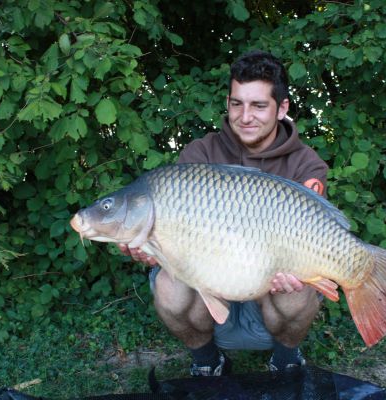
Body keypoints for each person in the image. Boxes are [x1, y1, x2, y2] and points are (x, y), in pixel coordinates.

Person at [119, 50, 329, 376]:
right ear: (228, 103)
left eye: (258, 105)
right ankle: (207, 361)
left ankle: (285, 359)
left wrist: (298, 271)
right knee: (168, 288)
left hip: (270, 297)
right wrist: (155, 248)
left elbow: (314, 238)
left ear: (282, 108)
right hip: (210, 289)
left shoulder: (306, 165)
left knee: (298, 290)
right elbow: (175, 232)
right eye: (236, 104)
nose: (245, 116)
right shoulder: (201, 153)